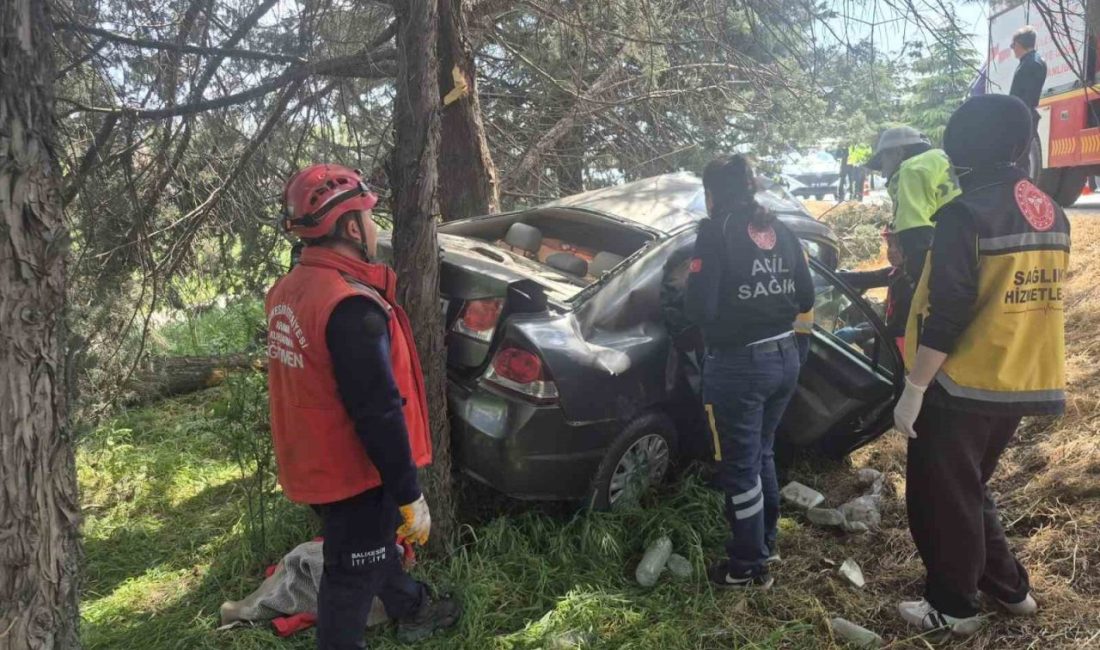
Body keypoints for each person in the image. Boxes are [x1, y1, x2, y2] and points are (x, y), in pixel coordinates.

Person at [894, 94, 1068, 635]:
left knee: (939, 498)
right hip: (1021, 377)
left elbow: (949, 311)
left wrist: (916, 387)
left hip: (962, 381)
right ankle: (1009, 587)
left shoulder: (963, 214)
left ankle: (954, 607)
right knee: (968, 487)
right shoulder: (1051, 211)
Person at [266, 164, 460, 649]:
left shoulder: (290, 289)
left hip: (313, 462)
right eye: (370, 219)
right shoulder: (350, 307)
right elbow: (378, 411)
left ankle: (411, 607)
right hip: (352, 473)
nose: (375, 229)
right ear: (351, 227)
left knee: (372, 549)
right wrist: (408, 493)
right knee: (349, 579)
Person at [685, 155, 814, 589]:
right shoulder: (782, 230)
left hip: (738, 364)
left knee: (739, 467)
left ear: (712, 193)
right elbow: (806, 295)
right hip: (785, 356)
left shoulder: (714, 231)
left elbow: (699, 308)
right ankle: (766, 543)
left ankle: (746, 567)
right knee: (762, 453)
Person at [854, 126, 961, 350]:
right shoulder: (943, 161)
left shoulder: (911, 170)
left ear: (899, 152)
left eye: (883, 162)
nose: (883, 173)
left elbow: (916, 235)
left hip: (937, 279)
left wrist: (919, 291)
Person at [1010, 26, 1048, 118]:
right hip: (1025, 115)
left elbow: (1025, 98)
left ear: (1018, 44)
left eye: (1012, 45)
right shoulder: (1034, 61)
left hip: (1021, 117)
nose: (1012, 49)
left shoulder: (1030, 64)